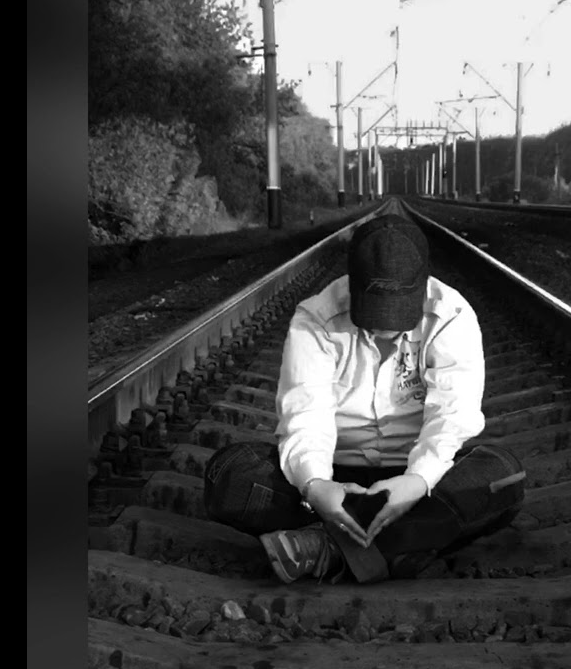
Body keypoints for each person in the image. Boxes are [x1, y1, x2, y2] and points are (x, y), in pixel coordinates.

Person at [203, 213, 526, 584]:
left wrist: (417, 481)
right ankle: (403, 546)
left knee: (503, 475)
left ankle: (327, 547)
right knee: (227, 476)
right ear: (351, 284)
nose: (384, 325)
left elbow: (451, 418)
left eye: (399, 312)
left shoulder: (451, 315)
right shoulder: (316, 318)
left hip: (417, 486)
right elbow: (305, 417)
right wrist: (316, 486)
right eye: (373, 312)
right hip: (335, 485)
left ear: (423, 286)